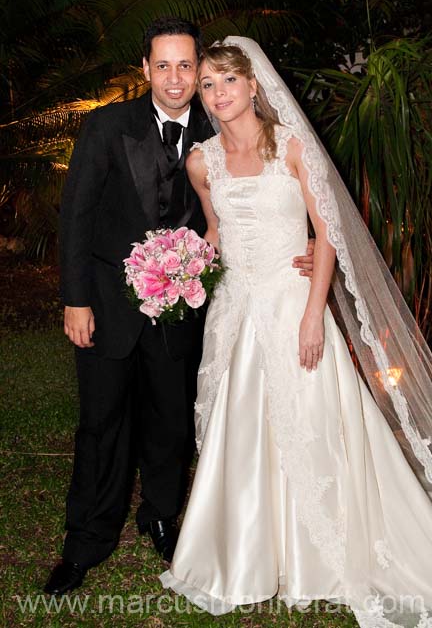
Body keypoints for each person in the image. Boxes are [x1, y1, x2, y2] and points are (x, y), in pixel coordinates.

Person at [160, 38, 432, 627]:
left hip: (292, 307)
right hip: (235, 311)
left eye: (228, 81)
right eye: (207, 85)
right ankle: (246, 557)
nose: (218, 93)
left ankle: (322, 556)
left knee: (312, 428)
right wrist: (176, 267)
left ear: (254, 86)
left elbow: (327, 232)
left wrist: (314, 313)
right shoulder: (201, 162)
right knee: (242, 430)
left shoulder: (293, 148)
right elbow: (216, 230)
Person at [43, 17, 317, 596]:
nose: (175, 78)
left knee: (171, 423)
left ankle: (163, 520)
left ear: (200, 71)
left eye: (186, 66)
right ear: (144, 69)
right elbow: (77, 217)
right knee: (101, 424)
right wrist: (75, 300)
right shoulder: (105, 126)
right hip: (108, 309)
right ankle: (85, 542)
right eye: (162, 65)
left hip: (184, 312)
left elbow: (264, 194)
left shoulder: (220, 129)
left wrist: (308, 243)